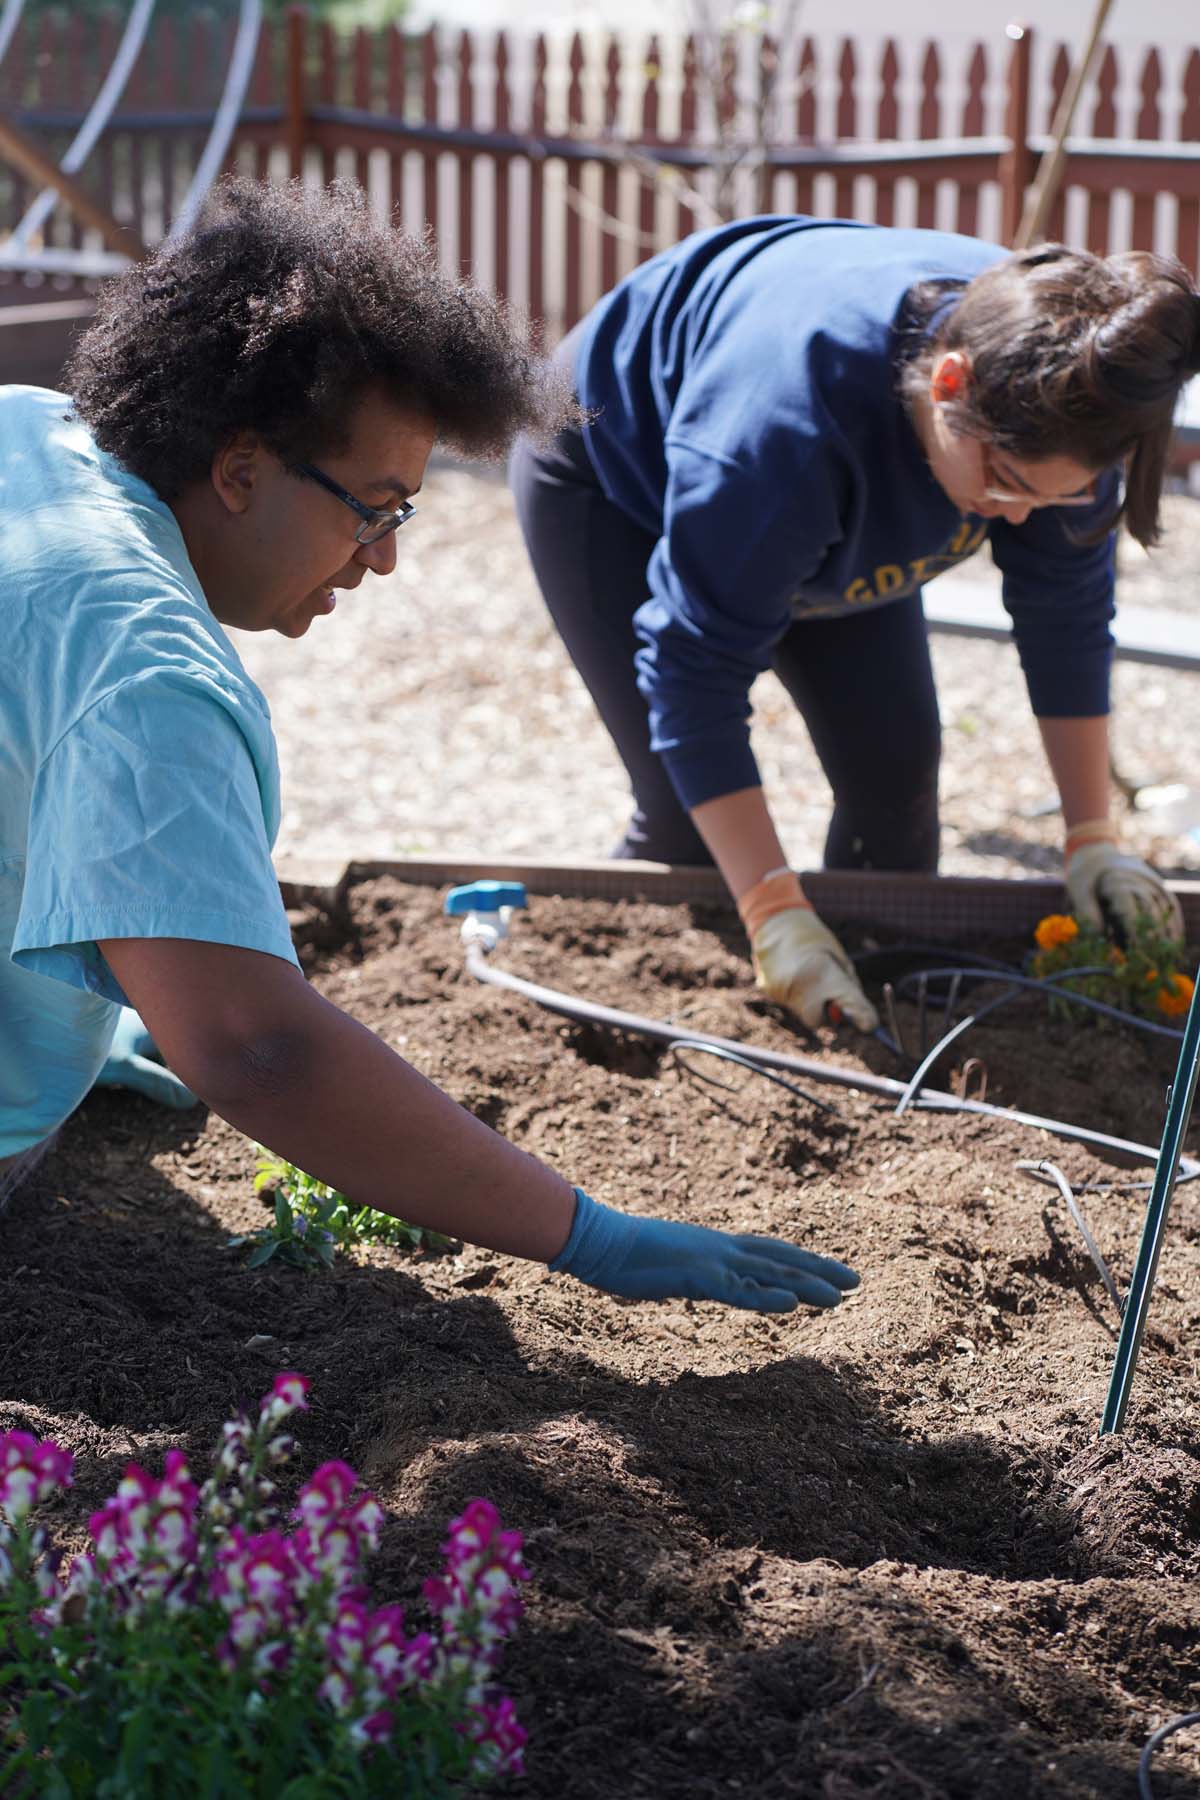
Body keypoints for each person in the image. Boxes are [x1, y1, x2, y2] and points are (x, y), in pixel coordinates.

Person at [0, 178, 857, 1317]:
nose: (382, 557)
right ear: (240, 467)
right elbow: (257, 1050)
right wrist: (587, 1234)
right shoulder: (149, 677)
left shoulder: (29, 429)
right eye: (375, 507)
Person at [510, 216, 1200, 1032]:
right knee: (683, 823)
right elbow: (693, 672)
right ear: (949, 384)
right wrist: (772, 908)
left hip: (838, 485)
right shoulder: (783, 431)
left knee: (895, 777)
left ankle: (881, 1021)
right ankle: (609, 1014)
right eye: (1007, 483)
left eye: (1047, 498)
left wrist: (1092, 838)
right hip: (614, 473)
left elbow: (1069, 619)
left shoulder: (1069, 402)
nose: (1016, 518)